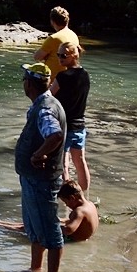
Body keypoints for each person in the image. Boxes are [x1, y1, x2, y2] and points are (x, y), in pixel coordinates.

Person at [15, 62, 68, 272]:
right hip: (32, 179)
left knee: (50, 231)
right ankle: (35, 268)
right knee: (34, 228)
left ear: (29, 84)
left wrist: (37, 154)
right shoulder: (43, 103)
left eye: (24, 80)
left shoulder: (45, 108)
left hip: (41, 181)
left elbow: (54, 135)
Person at [0, 180, 99, 243]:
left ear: (72, 198)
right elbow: (73, 223)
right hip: (80, 238)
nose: (66, 205)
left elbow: (69, 229)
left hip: (72, 240)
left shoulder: (79, 211)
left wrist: (47, 226)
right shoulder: (90, 205)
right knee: (27, 225)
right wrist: (55, 220)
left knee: (25, 228)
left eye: (66, 202)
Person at [53, 42, 91, 192]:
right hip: (80, 126)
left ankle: (67, 199)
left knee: (64, 164)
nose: (60, 58)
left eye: (63, 55)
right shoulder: (85, 74)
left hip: (65, 126)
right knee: (80, 161)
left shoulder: (62, 77)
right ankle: (84, 197)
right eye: (58, 55)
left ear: (74, 56)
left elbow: (48, 95)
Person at [33, 6, 80, 81]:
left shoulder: (54, 38)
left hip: (54, 82)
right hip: (69, 79)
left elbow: (37, 57)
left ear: (52, 21)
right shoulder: (74, 35)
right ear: (67, 20)